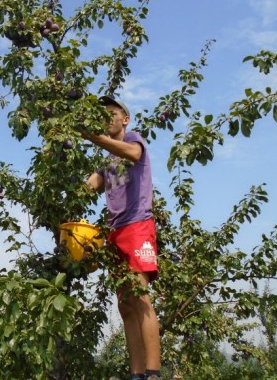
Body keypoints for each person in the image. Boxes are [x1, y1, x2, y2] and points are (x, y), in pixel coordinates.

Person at [85, 96, 161, 380]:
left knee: (140, 297)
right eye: (103, 114)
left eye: (113, 113)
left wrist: (95, 138)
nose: (108, 117)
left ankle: (153, 373)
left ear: (125, 118)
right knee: (124, 303)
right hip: (115, 231)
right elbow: (91, 184)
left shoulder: (133, 139)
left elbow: (133, 154)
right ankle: (137, 373)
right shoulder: (106, 160)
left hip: (138, 225)